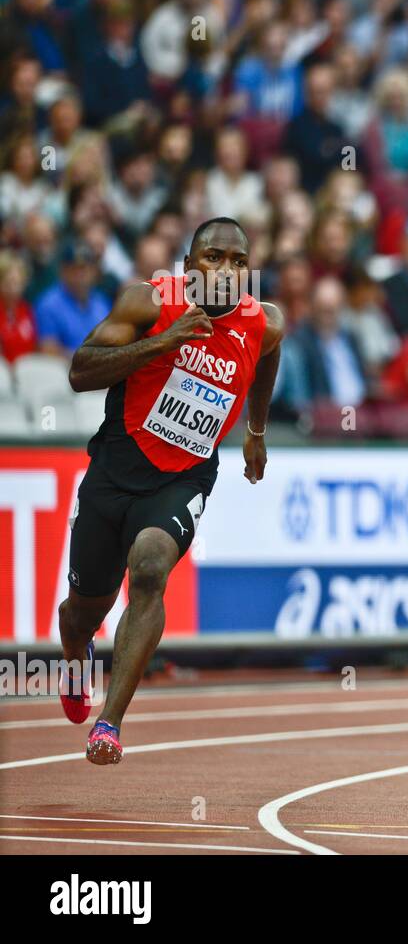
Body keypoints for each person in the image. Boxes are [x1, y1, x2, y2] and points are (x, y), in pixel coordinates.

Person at [59, 217, 284, 765]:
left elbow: (266, 362)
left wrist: (256, 434)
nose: (226, 271)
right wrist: (164, 342)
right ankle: (74, 653)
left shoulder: (265, 323)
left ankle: (109, 723)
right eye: (213, 258)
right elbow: (81, 371)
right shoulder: (147, 301)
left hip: (183, 476)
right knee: (85, 609)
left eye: (237, 262)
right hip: (114, 470)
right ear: (188, 267)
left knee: (152, 566)